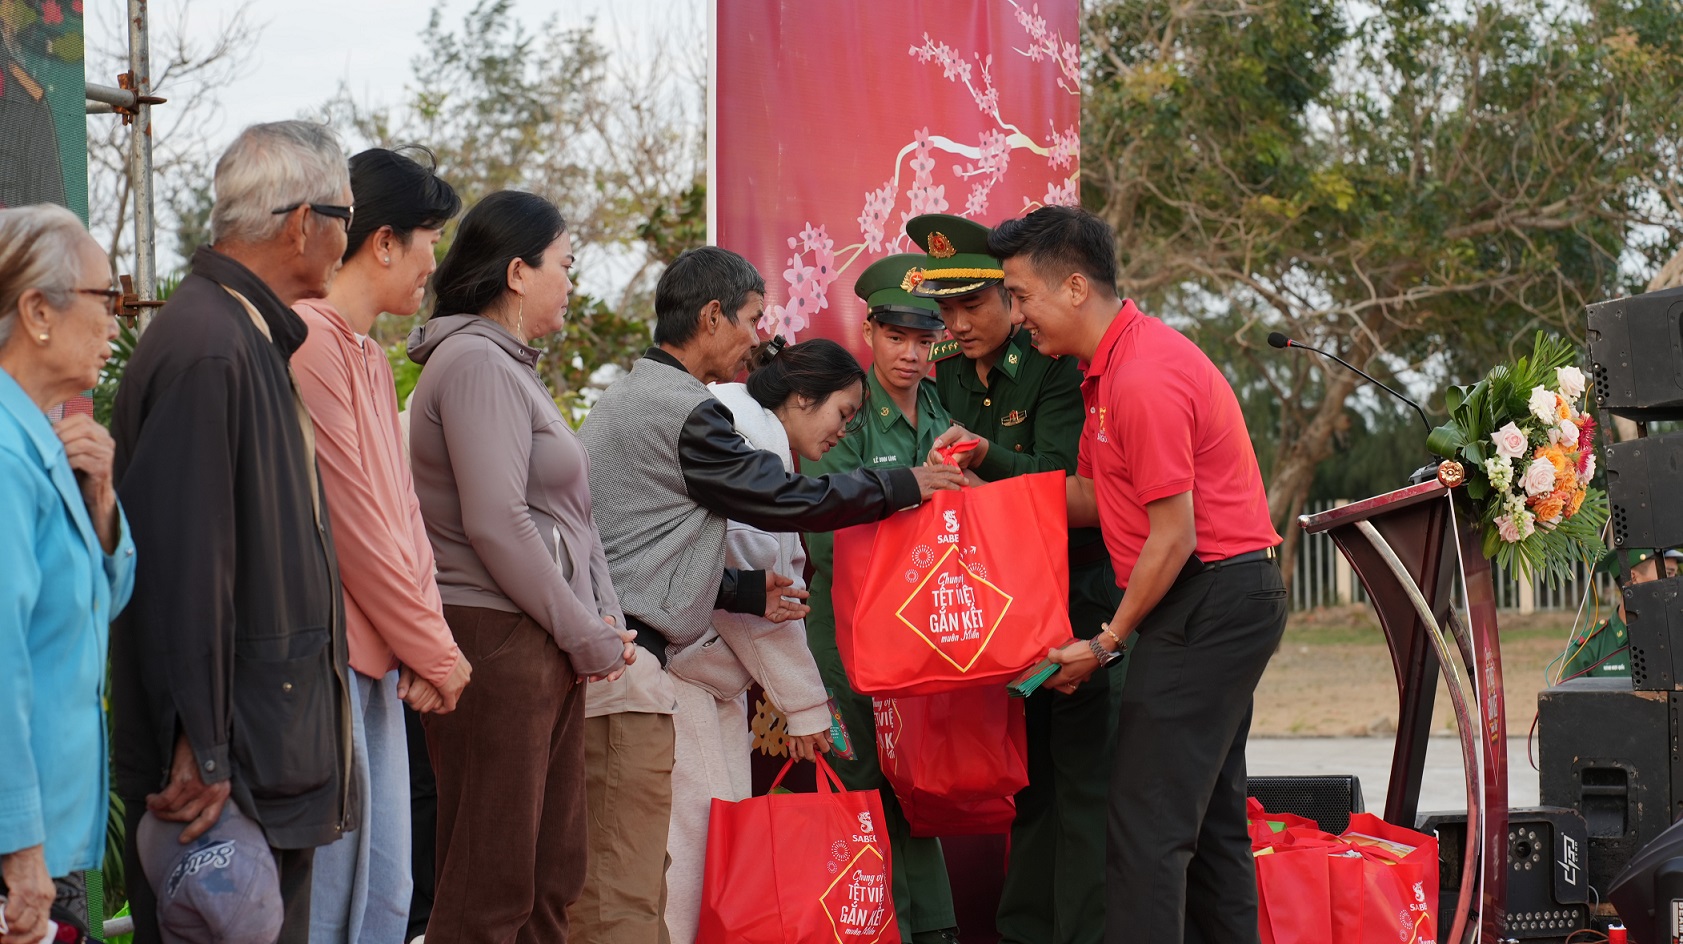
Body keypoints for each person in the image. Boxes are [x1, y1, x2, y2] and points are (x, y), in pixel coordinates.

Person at [573, 245, 963, 944]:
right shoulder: (696, 415)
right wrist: (905, 485)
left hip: (635, 658)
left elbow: (646, 548)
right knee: (676, 860)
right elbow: (781, 502)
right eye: (751, 318)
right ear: (713, 316)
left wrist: (744, 590)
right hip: (646, 670)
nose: (757, 337)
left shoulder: (651, 396)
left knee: (650, 861)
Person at [978, 206, 1285, 944]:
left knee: (1144, 830)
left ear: (1075, 287)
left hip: (1207, 598)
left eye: (1020, 297)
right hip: (1215, 598)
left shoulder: (1143, 375)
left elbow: (1172, 534)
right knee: (1208, 825)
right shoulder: (1109, 371)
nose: (1016, 318)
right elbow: (1093, 498)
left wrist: (1107, 641)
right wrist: (983, 485)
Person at [112, 120, 357, 944]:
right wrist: (200, 747)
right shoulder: (209, 346)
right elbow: (183, 568)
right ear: (300, 223)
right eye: (344, 217)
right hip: (229, 770)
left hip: (256, 746)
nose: (346, 238)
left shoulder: (243, 334)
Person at [406, 190, 634, 944]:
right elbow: (498, 523)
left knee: (548, 876)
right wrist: (584, 631)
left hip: (538, 639)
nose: (573, 282)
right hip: (497, 638)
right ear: (516, 272)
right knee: (490, 883)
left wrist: (601, 618)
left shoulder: (510, 366)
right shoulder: (473, 362)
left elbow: (572, 516)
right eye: (565, 264)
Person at [910, 212, 1124, 944]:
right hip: (996, 612)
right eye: (946, 310)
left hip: (1078, 603)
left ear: (1011, 295)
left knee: (1086, 789)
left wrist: (979, 456)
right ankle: (1026, 932)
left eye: (975, 303)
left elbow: (1068, 486)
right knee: (1030, 788)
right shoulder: (938, 373)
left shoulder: (1058, 366)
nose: (959, 323)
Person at [290, 147, 468, 944]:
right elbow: (356, 525)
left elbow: (403, 519)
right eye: (432, 237)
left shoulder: (364, 351)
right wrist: (435, 651)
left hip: (386, 658)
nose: (436, 260)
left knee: (385, 892)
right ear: (385, 239)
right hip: (334, 664)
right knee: (340, 900)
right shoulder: (309, 338)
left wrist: (430, 647)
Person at [662, 337, 868, 943]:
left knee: (704, 854)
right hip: (678, 673)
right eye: (843, 414)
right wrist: (806, 708)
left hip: (691, 674)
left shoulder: (742, 430)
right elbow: (754, 595)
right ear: (802, 397)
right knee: (696, 858)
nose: (844, 433)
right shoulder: (743, 442)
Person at [803, 253, 960, 944]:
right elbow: (824, 531)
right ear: (869, 333)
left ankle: (933, 930)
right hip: (849, 635)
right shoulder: (847, 414)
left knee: (916, 788)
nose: (910, 354)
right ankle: (867, 930)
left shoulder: (941, 412)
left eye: (923, 340)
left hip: (929, 633)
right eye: (896, 337)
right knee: (857, 787)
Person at [0, 205, 135, 944]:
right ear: (36, 312)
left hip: (42, 826)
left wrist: (103, 500)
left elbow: (106, 597)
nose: (116, 323)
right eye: (104, 300)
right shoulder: (7, 451)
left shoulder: (46, 437)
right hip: (15, 838)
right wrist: (19, 849)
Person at [1560, 548, 1682, 679]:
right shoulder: (1588, 651)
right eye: (1668, 574)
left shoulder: (1677, 638)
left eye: (1676, 576)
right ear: (1633, 578)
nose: (1675, 583)